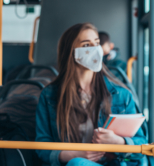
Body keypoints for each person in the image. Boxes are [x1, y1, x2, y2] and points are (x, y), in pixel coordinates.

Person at [35, 23, 147, 166]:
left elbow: (142, 144)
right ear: (71, 51)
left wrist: (117, 141)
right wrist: (73, 154)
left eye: (97, 44)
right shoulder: (49, 96)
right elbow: (42, 144)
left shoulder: (121, 95)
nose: (95, 50)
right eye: (87, 45)